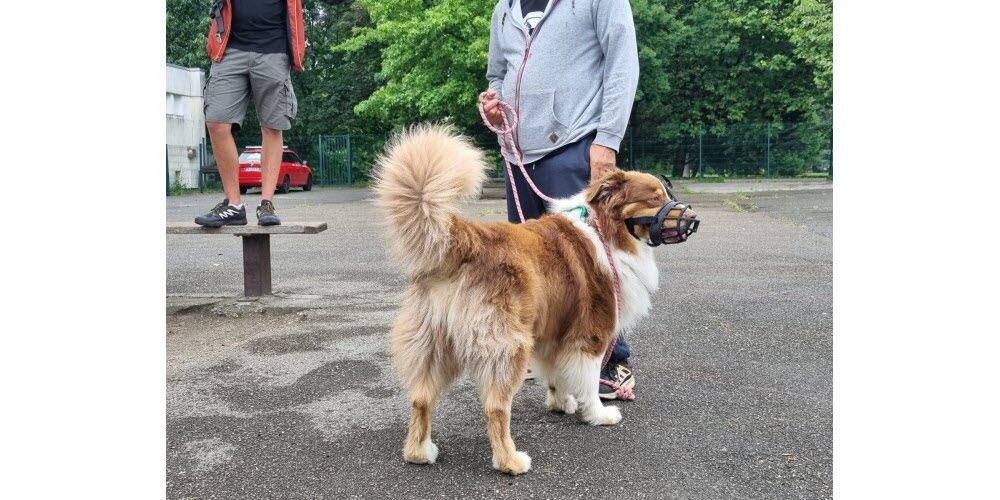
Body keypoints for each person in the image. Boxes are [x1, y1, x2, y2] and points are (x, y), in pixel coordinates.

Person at [482, 0, 640, 399]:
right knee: (534, 267)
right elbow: (496, 74)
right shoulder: (505, 8)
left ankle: (613, 361)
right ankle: (551, 359)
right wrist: (493, 104)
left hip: (575, 144)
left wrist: (608, 139)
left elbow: (623, 62)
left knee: (592, 264)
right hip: (517, 153)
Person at [194, 0, 308, 227]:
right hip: (229, 47)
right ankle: (234, 205)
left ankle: (266, 203)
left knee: (271, 126)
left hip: (274, 51)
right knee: (216, 121)